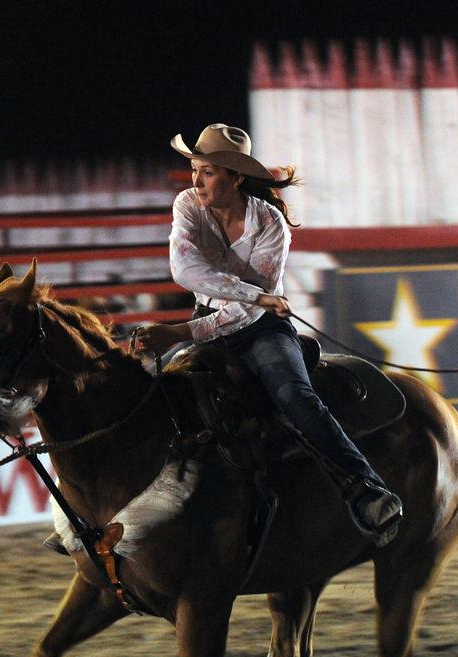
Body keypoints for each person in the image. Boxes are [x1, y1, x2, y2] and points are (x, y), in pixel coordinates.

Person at [134, 123, 402, 546]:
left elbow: (243, 311)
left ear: (235, 177)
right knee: (148, 400)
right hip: (227, 318)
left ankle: (366, 487)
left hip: (260, 331)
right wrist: (255, 295)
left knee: (295, 396)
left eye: (207, 172)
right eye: (196, 170)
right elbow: (186, 270)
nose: (196, 180)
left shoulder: (270, 223)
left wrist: (189, 328)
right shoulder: (187, 205)